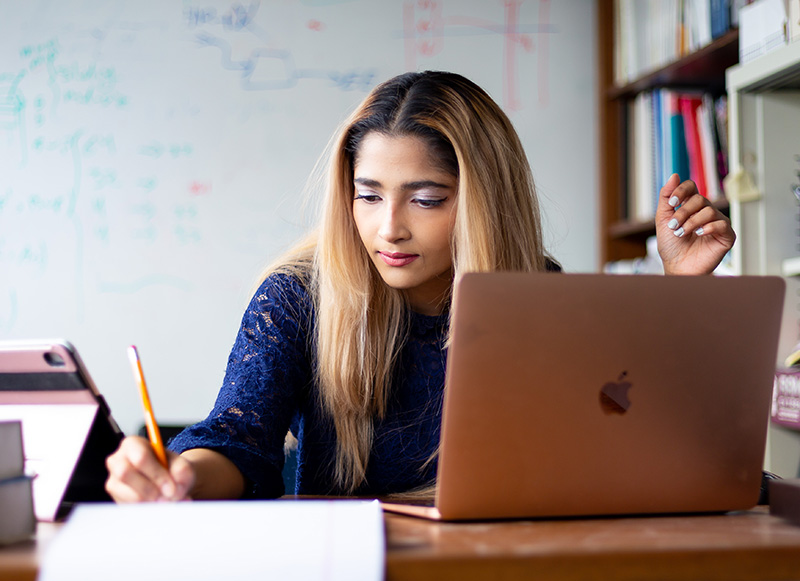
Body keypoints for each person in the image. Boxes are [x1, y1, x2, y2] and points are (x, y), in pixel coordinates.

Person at [105, 70, 735, 503]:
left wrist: (676, 291)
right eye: (368, 195)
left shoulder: (535, 291)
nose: (389, 228)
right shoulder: (297, 298)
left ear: (484, 203)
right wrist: (178, 477)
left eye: (426, 199)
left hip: (501, 570)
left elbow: (620, 439)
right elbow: (238, 442)